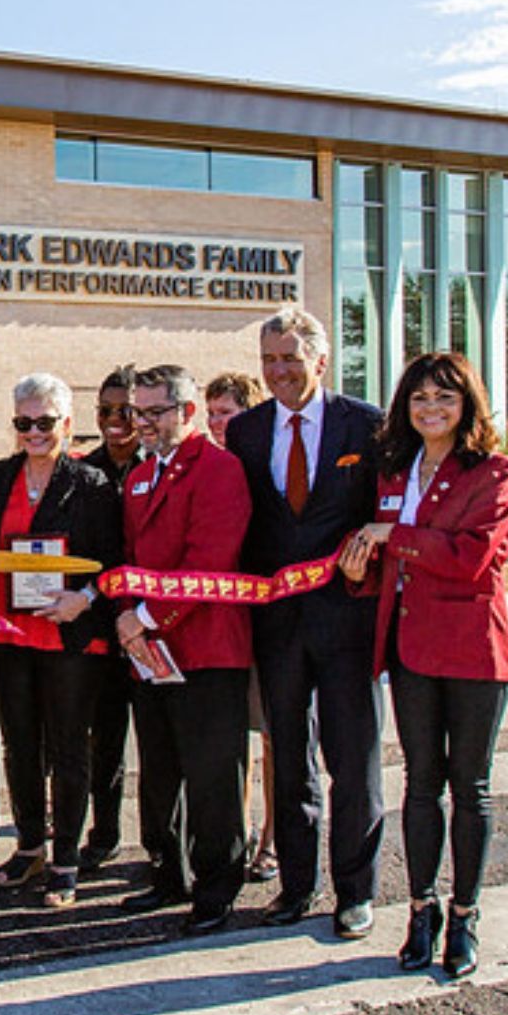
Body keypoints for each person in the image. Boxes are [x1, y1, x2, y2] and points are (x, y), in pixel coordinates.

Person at [337, 351, 508, 980]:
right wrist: (361, 569)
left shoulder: (493, 472)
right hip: (411, 649)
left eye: (445, 397)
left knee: (470, 788)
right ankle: (421, 911)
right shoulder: (396, 470)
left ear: (467, 404)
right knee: (421, 786)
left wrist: (395, 537)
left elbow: (472, 558)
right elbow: (389, 562)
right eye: (419, 398)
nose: (431, 409)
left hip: (472, 652)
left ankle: (465, 915)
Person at [223, 307, 387, 940]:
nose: (279, 371)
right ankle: (296, 886)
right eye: (268, 360)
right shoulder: (246, 431)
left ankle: (355, 891)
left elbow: (384, 514)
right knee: (289, 760)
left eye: (290, 358)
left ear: (321, 359)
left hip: (347, 622)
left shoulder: (366, 426)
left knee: (354, 761)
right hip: (278, 625)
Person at [0, 373, 122, 909]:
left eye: (45, 422)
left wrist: (86, 598)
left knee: (70, 747)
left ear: (66, 423)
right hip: (5, 630)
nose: (34, 431)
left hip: (67, 631)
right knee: (18, 742)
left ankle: (65, 859)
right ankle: (29, 844)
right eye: (23, 422)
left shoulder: (92, 482)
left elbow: (114, 559)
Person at [113, 364, 253, 936]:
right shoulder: (139, 475)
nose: (142, 423)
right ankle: (167, 872)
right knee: (159, 770)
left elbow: (209, 561)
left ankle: (216, 888)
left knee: (212, 777)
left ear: (187, 412)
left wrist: (144, 618)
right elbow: (130, 557)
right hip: (150, 650)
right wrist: (132, 623)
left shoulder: (220, 469)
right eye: (137, 412)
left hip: (206, 647)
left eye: (155, 412)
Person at [205, 370, 280, 886]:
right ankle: (242, 829)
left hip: (267, 618)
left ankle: (273, 838)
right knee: (234, 737)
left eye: (226, 414)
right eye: (211, 414)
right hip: (222, 623)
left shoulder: (264, 467)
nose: (217, 423)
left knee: (272, 736)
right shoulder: (211, 469)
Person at [78, 364, 142, 872]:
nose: (115, 420)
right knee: (104, 739)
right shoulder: (86, 472)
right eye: (105, 410)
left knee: (162, 744)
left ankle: (165, 843)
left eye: (126, 411)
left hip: (154, 621)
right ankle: (104, 832)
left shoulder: (157, 467)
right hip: (99, 623)